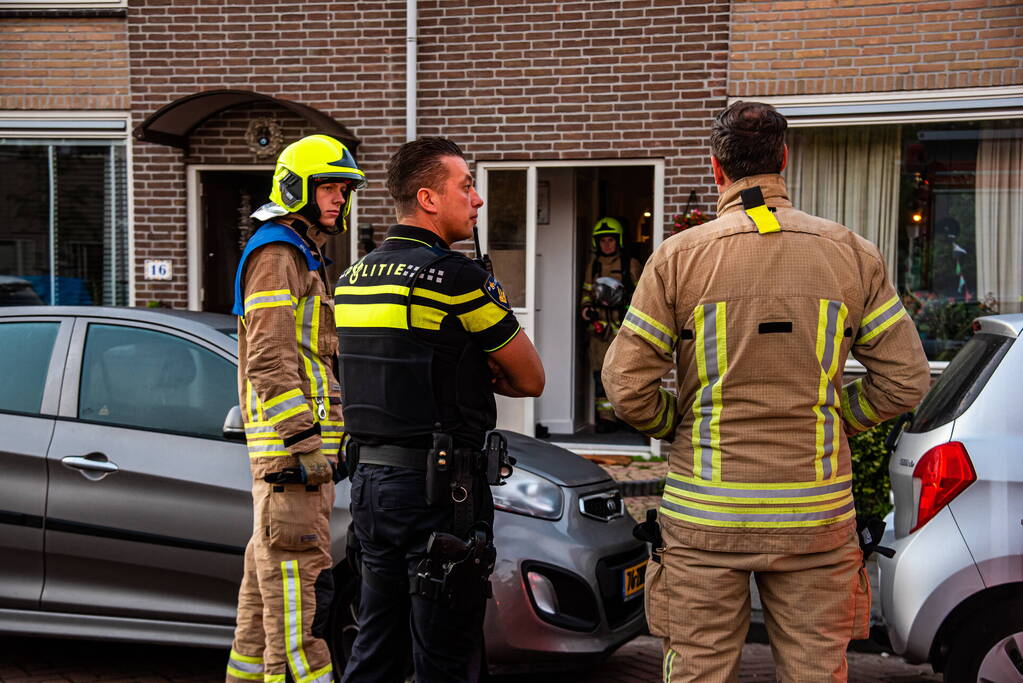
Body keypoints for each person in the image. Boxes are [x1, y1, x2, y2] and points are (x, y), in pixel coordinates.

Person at [602, 101, 931, 681]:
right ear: (784, 159)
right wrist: (838, 418)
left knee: (699, 671)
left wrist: (677, 422)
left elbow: (626, 386)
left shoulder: (679, 258)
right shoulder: (852, 254)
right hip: (815, 519)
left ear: (715, 169)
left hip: (705, 516)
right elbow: (906, 380)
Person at [336, 136, 544, 683]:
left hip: (370, 489)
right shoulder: (457, 279)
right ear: (429, 198)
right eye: (466, 186)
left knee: (376, 648)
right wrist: (476, 369)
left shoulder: (352, 279)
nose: (476, 200)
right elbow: (530, 377)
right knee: (446, 657)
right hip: (441, 492)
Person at [226, 134, 365, 683]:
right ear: (295, 188)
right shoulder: (277, 252)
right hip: (291, 454)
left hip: (302, 452)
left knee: (265, 586)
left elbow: (310, 358)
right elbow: (268, 356)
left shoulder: (300, 253)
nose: (337, 199)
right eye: (327, 186)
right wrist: (305, 441)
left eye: (342, 189)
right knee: (298, 576)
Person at [579, 217, 642, 432]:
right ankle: (606, 419)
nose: (607, 244)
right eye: (603, 240)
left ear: (618, 241)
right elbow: (587, 292)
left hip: (622, 328)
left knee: (626, 375)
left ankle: (629, 418)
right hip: (599, 332)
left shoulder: (629, 264)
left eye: (611, 240)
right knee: (600, 376)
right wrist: (587, 309)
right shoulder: (594, 265)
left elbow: (642, 295)